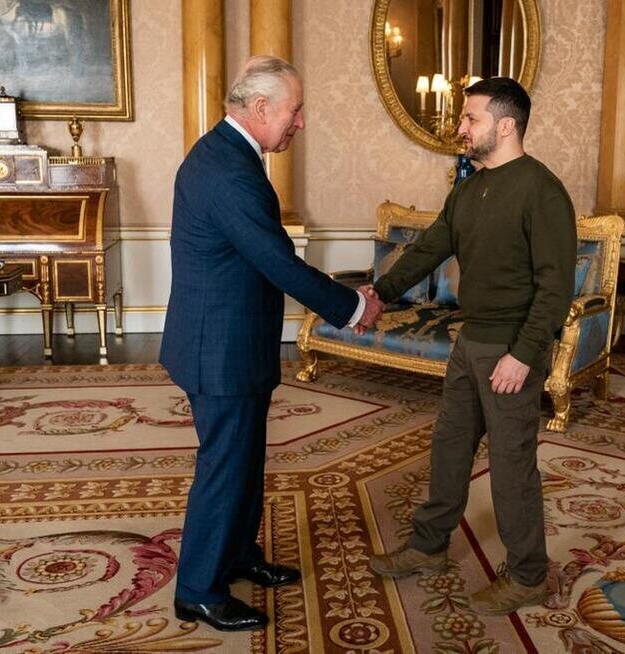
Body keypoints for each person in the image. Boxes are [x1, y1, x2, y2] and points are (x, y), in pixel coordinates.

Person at [160, 55, 384, 632]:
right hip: (221, 350)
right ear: (261, 109)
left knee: (245, 461)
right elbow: (276, 261)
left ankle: (237, 557)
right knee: (225, 466)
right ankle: (199, 590)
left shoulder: (229, 154)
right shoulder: (228, 170)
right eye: (295, 110)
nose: (300, 123)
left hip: (233, 341)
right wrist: (352, 306)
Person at [367, 77, 576, 616]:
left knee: (511, 468)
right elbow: (428, 248)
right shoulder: (469, 188)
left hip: (511, 348)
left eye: (471, 119)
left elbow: (555, 289)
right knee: (449, 448)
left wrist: (524, 354)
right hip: (471, 342)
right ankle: (428, 547)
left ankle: (529, 575)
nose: (460, 127)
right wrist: (377, 294)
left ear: (506, 126)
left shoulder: (542, 191)